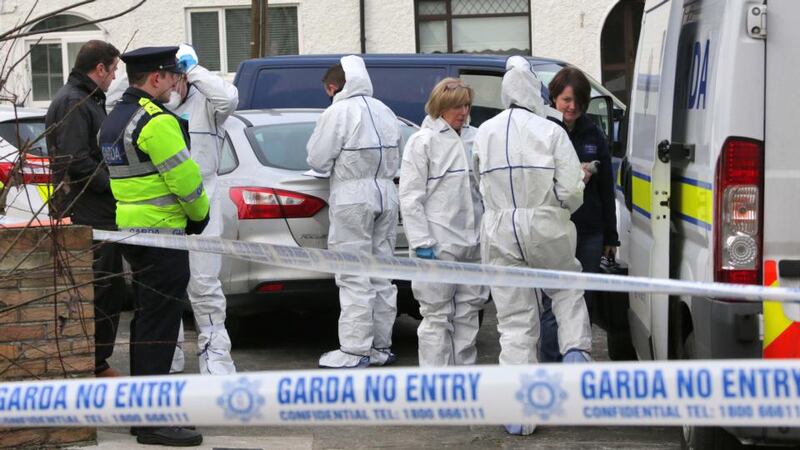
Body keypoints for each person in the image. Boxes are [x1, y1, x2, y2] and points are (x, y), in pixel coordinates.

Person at [472, 56, 592, 436]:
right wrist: (559, 207)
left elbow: (477, 181)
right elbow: (572, 188)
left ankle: (519, 413)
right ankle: (575, 352)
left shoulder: (483, 132)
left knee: (514, 320)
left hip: (500, 229)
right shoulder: (551, 131)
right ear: (534, 92)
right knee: (566, 287)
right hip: (544, 223)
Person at [98, 46, 207, 447]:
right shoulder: (156, 121)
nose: (175, 83)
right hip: (163, 235)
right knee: (159, 326)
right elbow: (186, 181)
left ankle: (141, 412)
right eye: (171, 76)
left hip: (131, 232)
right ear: (156, 78)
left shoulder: (114, 120)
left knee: (145, 322)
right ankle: (153, 420)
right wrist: (199, 216)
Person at [307, 55, 401, 369]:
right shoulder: (385, 111)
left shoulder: (338, 112)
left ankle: (354, 350)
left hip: (352, 198)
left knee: (352, 274)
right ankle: (380, 347)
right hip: (387, 195)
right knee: (382, 274)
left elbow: (318, 160)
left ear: (333, 87)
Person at [45, 40, 126, 379]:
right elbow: (77, 162)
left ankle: (97, 361)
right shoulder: (75, 102)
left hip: (93, 210)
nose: (114, 77)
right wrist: (117, 187)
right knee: (100, 288)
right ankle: (94, 364)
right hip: (86, 212)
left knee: (108, 289)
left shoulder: (85, 99)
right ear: (99, 69)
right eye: (113, 70)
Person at [399, 77, 488, 367]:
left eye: (466, 105)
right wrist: (422, 242)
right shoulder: (423, 142)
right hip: (437, 245)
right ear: (440, 106)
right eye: (456, 106)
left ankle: (463, 383)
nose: (462, 111)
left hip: (472, 245)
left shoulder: (475, 138)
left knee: (468, 314)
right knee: (436, 317)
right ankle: (435, 386)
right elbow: (410, 197)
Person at [163, 44, 239, 375]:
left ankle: (215, 360)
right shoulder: (156, 106)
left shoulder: (208, 104)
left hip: (204, 199)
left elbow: (230, 99)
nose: (172, 87)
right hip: (164, 203)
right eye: (167, 77)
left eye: (177, 78)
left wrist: (194, 71)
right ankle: (168, 357)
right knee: (164, 286)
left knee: (205, 283)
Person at [538, 67, 619, 363]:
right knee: (552, 303)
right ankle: (550, 367)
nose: (572, 107)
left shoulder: (593, 133)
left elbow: (606, 188)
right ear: (553, 98)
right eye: (566, 100)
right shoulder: (542, 130)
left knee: (582, 301)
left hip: (588, 231)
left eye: (579, 101)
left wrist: (611, 235)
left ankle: (577, 368)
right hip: (553, 231)